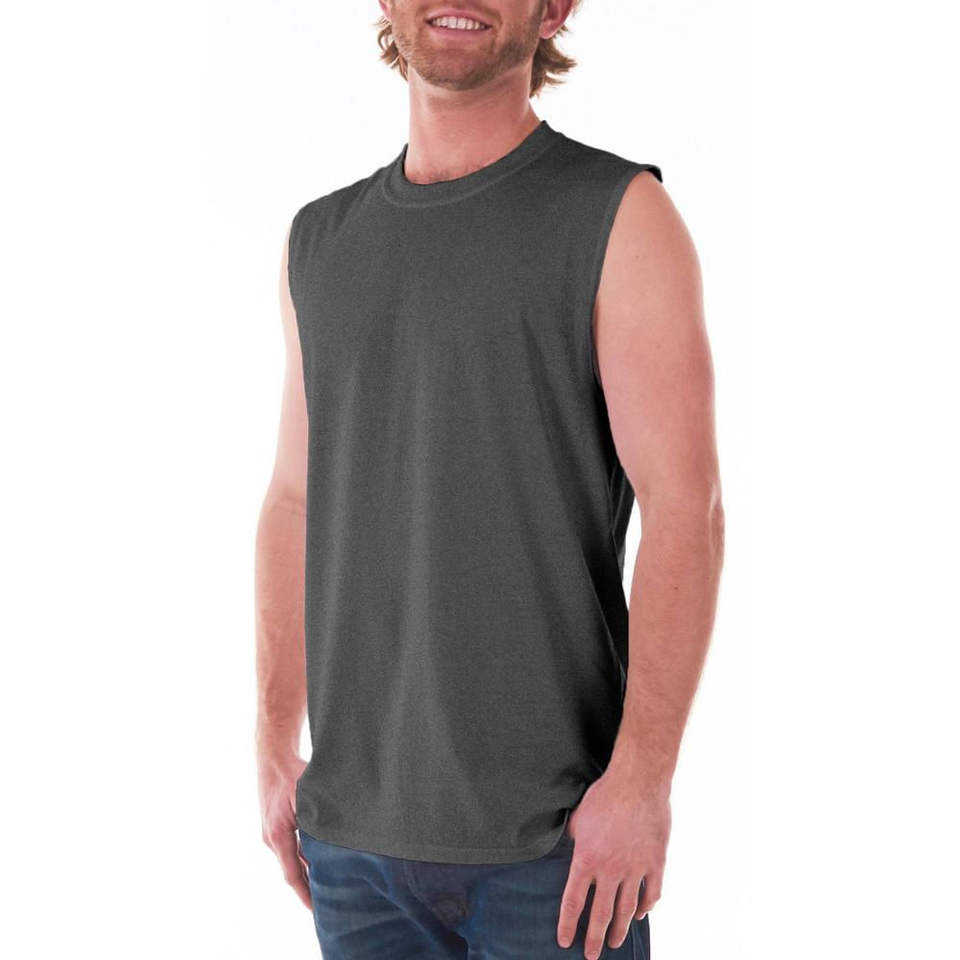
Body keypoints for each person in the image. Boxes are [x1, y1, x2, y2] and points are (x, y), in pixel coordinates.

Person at [255, 2, 723, 957]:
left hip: (555, 852)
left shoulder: (619, 215)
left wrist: (642, 783)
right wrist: (271, 742)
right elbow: (294, 500)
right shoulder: (319, 241)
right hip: (354, 847)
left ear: (554, 9)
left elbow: (688, 512)